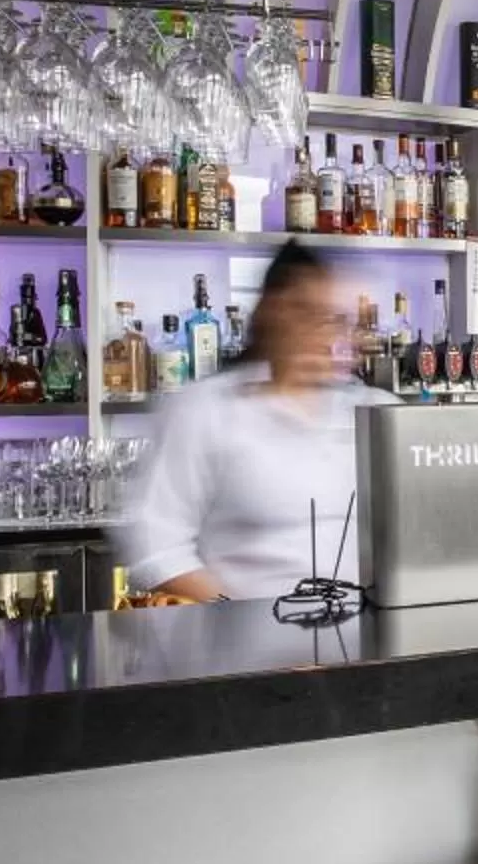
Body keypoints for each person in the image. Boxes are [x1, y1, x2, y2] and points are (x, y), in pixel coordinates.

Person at [115, 240, 394, 602]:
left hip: (366, 641)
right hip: (244, 645)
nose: (328, 337)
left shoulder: (380, 412)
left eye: (338, 321)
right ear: (271, 314)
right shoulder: (206, 409)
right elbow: (155, 546)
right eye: (310, 315)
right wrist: (239, 623)